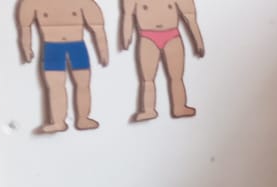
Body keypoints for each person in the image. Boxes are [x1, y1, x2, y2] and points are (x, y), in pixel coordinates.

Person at [16, 0, 110, 133]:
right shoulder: (32, 2)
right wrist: (26, 47)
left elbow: (98, 26)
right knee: (55, 87)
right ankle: (58, 122)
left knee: (83, 84)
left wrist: (103, 50)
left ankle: (83, 118)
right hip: (52, 47)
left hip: (77, 46)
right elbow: (25, 26)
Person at [121, 0, 206, 121]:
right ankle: (149, 110)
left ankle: (179, 107)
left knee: (177, 77)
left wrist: (199, 41)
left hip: (172, 36)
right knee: (147, 78)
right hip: (147, 37)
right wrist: (126, 35)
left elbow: (190, 17)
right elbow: (127, 15)